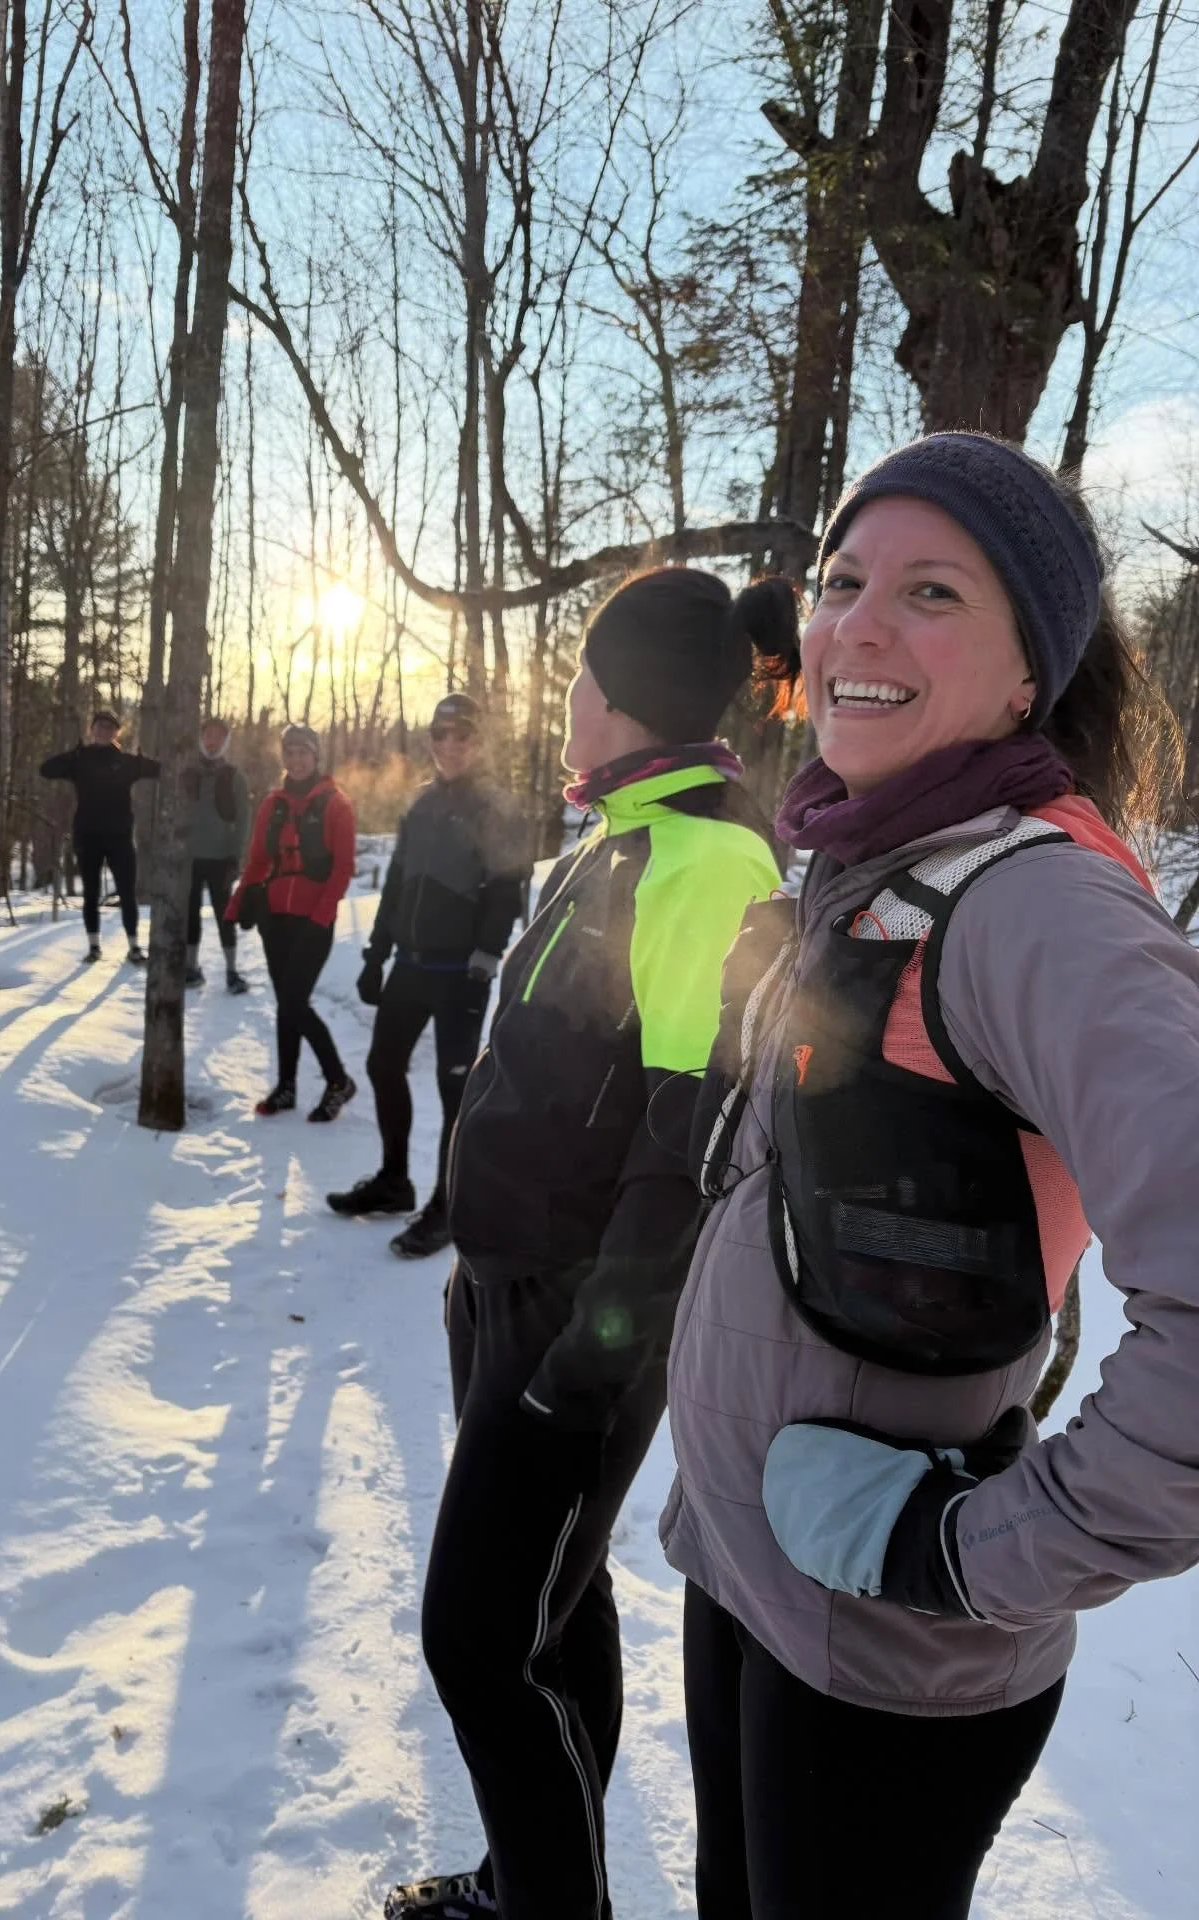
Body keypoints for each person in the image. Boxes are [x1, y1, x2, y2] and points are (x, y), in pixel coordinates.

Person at [662, 432, 1196, 1920]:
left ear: (1032, 673)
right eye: (841, 582)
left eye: (934, 591)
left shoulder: (1040, 908)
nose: (857, 627)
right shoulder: (869, 867)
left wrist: (976, 1550)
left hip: (887, 1659)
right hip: (762, 1582)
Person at [387, 568, 799, 1920]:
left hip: (577, 1327)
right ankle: (530, 1880)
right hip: (508, 1296)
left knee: (478, 1642)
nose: (561, 699)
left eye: (579, 678)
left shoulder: (708, 860)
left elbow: (685, 1142)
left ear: (622, 703)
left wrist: (591, 1355)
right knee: (551, 1621)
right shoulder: (623, 833)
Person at [326, 693, 530, 1260]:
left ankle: (448, 1202)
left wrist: (486, 959)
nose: (448, 747)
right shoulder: (420, 806)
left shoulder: (497, 807)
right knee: (382, 1064)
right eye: (439, 737)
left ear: (479, 741)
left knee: (454, 1087)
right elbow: (396, 883)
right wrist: (374, 954)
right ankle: (395, 1181)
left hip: (460, 972)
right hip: (411, 966)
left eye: (460, 736)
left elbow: (507, 888)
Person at [227, 722, 358, 1121]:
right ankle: (286, 1087)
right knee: (287, 1004)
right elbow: (258, 859)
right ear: (282, 757)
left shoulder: (336, 804)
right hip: (274, 917)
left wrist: (322, 916)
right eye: (290, 753)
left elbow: (342, 869)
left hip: (313, 920)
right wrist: (238, 903)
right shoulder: (272, 804)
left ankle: (339, 1080)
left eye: (303, 752)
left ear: (315, 756)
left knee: (294, 1001)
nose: (297, 760)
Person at [39, 710, 158, 965]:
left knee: (127, 892)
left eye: (109, 727)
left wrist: (146, 756)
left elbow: (160, 770)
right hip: (88, 835)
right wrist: (72, 755)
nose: (103, 731)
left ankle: (134, 947)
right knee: (90, 893)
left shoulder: (126, 762)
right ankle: (94, 947)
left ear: (117, 732)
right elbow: (46, 770)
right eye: (99, 727)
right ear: (91, 730)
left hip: (120, 836)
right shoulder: (80, 759)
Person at [185, 717, 251, 993]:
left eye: (218, 737)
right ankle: (191, 968)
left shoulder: (235, 776)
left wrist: (236, 855)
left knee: (225, 915)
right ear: (201, 739)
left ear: (226, 742)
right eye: (208, 736)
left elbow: (245, 819)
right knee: (191, 915)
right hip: (189, 858)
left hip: (221, 858)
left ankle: (232, 971)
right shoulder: (188, 773)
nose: (212, 741)